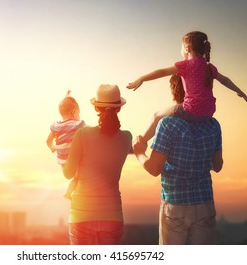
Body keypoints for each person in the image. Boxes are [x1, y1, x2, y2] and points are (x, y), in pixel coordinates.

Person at [132, 76, 223, 244]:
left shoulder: (167, 124)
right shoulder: (213, 124)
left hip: (175, 204)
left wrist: (139, 153)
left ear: (173, 91)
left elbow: (154, 169)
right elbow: (218, 166)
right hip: (205, 203)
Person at [127, 31, 247, 142]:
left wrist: (142, 78)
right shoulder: (209, 67)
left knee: (157, 115)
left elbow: (162, 72)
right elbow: (224, 80)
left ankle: (141, 142)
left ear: (187, 48)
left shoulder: (185, 65)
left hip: (191, 110)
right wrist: (239, 91)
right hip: (209, 111)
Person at [62, 84, 132, 245]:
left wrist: (62, 157)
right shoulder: (126, 138)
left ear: (96, 108)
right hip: (112, 215)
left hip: (81, 215)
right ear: (119, 109)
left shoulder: (82, 135)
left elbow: (68, 173)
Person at [46, 91, 85, 199]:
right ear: (74, 112)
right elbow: (89, 132)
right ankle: (69, 193)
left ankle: (68, 193)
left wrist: (52, 147)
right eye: (78, 113)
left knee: (76, 177)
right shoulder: (78, 124)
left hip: (62, 161)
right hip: (73, 160)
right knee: (79, 177)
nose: (79, 115)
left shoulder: (56, 126)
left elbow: (48, 140)